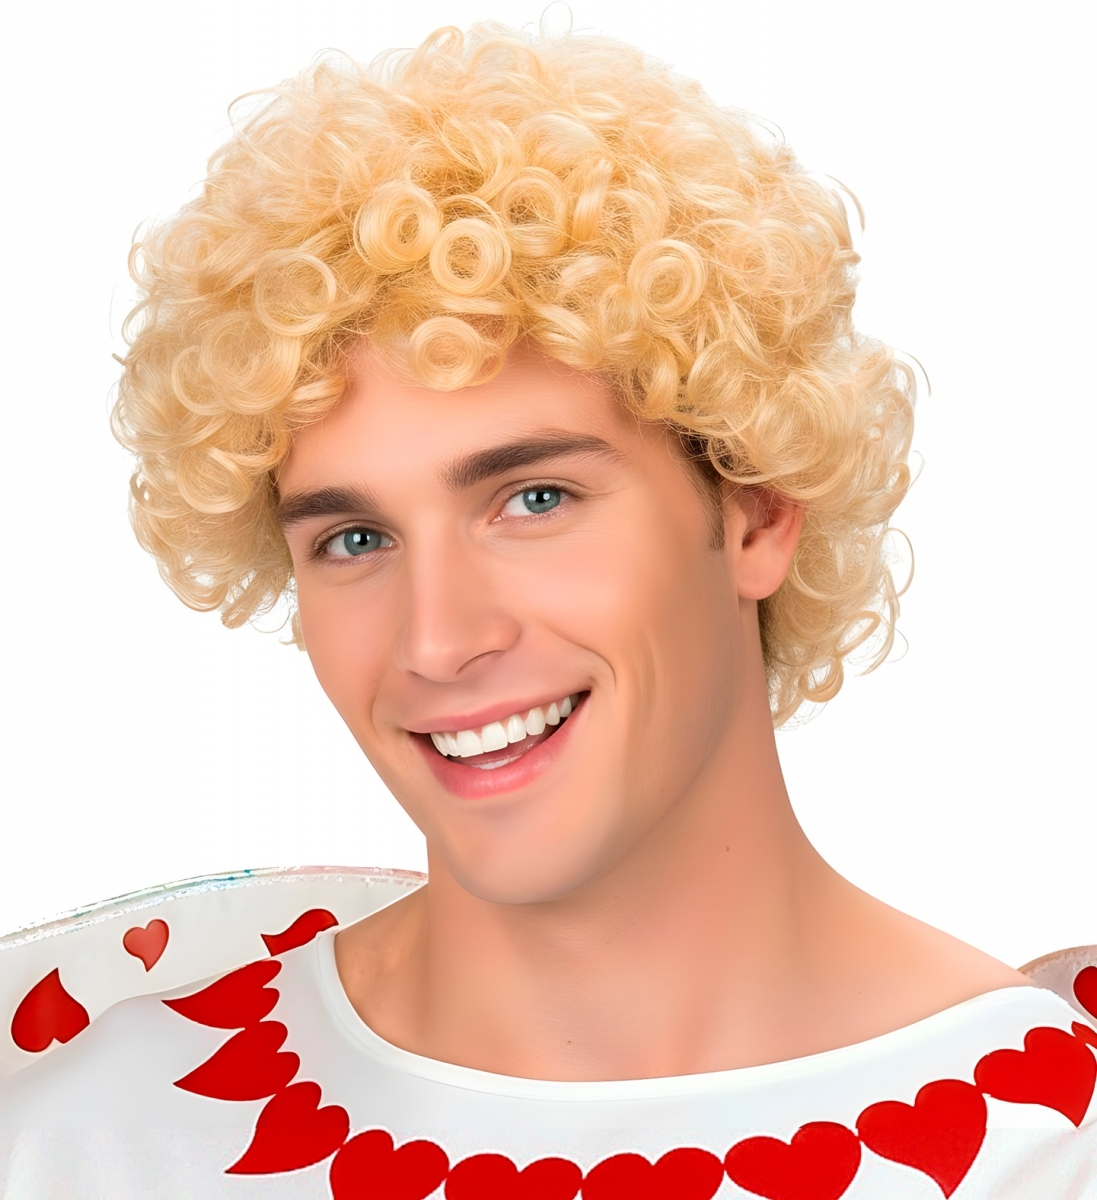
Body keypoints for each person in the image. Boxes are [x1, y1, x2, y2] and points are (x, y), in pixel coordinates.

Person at [1, 20, 1093, 1199]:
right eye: (354, 539)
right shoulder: (87, 1143)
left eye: (533, 500)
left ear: (755, 513)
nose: (436, 639)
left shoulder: (1051, 1151)